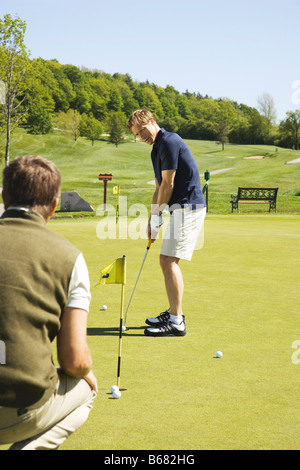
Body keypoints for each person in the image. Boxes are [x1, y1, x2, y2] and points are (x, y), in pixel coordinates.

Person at [0, 155, 97, 450]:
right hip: (20, 410)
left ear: (3, 197)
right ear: (55, 206)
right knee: (86, 388)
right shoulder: (70, 258)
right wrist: (87, 371)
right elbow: (74, 361)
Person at [127, 109, 206, 337]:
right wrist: (153, 220)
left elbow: (169, 185)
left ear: (152, 122)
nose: (141, 137)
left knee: (168, 260)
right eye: (137, 134)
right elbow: (158, 187)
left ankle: (176, 321)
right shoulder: (156, 150)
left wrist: (158, 216)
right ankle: (174, 312)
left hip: (188, 206)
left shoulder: (170, 141)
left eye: (142, 130)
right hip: (179, 208)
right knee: (167, 260)